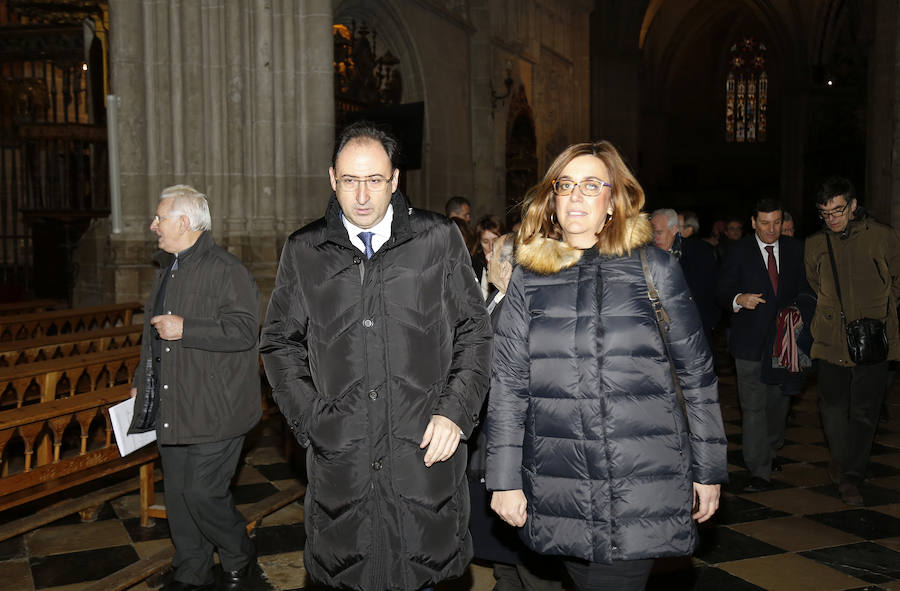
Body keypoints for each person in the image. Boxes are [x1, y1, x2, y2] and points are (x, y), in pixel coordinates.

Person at [259, 121, 493, 590]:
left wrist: (454, 412)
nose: (361, 195)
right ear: (332, 179)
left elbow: (476, 331)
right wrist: (313, 422)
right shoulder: (305, 250)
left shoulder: (437, 238)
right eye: (349, 180)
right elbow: (278, 343)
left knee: (423, 570)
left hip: (423, 456)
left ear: (395, 180)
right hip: (344, 462)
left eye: (374, 180)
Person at [486, 141, 727, 591]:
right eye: (566, 185)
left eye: (592, 185)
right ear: (553, 201)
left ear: (613, 201)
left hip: (640, 477)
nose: (576, 195)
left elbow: (696, 372)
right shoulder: (530, 278)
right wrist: (504, 479)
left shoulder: (653, 268)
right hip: (562, 480)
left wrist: (709, 467)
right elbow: (509, 384)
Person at [129, 185, 261, 591]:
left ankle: (239, 555)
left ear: (184, 222)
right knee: (180, 497)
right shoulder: (169, 269)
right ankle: (191, 569)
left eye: (159, 218)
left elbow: (244, 331)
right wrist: (139, 382)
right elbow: (150, 336)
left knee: (203, 493)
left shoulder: (227, 269)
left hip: (216, 407)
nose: (154, 226)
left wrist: (186, 328)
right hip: (174, 402)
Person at [467, 233, 562, 591]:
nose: (486, 261)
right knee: (505, 550)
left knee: (527, 552)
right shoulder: (499, 298)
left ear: (506, 267)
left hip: (511, 445)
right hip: (491, 442)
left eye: (491, 257)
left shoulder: (515, 311)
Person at [805, 176, 900, 506]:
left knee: (864, 412)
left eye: (838, 210)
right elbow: (814, 284)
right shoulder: (815, 243)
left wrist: (880, 313)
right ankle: (843, 457)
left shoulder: (883, 237)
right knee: (831, 407)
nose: (832, 219)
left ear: (854, 206)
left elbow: (898, 281)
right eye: (825, 213)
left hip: (873, 339)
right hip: (831, 338)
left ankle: (850, 475)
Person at [715, 198, 811, 492]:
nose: (771, 229)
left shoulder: (796, 250)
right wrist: (738, 299)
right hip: (748, 343)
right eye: (765, 223)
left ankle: (769, 451)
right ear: (754, 223)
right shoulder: (738, 250)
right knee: (753, 407)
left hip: (784, 343)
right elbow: (720, 290)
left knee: (779, 402)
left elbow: (807, 288)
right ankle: (759, 469)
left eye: (777, 223)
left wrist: (801, 311)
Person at [651, 208, 720, 338]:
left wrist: (709, 322)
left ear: (674, 230)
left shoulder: (700, 252)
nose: (655, 238)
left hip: (695, 329)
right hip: (658, 332)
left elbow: (711, 289)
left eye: (659, 232)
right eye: (652, 233)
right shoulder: (646, 254)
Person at [472, 214, 505, 300]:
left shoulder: (512, 262)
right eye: (485, 242)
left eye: (495, 240)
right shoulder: (473, 265)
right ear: (479, 243)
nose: (491, 247)